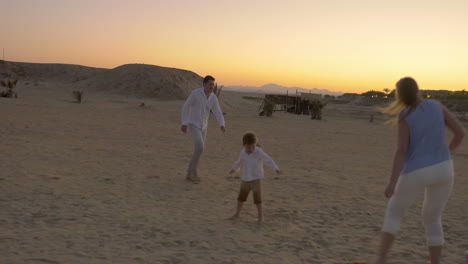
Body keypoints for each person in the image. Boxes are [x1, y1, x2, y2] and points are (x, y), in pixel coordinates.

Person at [373, 77, 465, 264]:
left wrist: (392, 182)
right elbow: (460, 133)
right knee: (432, 219)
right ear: (417, 90)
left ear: (400, 95)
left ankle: (380, 260)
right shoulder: (436, 106)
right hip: (444, 169)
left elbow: (401, 150)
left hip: (416, 170)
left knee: (394, 213)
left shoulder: (405, 115)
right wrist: (446, 152)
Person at [181, 75, 225, 183]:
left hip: (204, 126)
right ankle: (193, 173)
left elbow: (217, 111)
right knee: (200, 147)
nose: (211, 86)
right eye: (210, 84)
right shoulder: (196, 93)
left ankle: (190, 172)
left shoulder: (213, 97)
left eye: (213, 85)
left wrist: (222, 124)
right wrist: (184, 122)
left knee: (199, 149)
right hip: (193, 123)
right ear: (204, 84)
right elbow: (186, 106)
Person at [229, 132, 280, 222]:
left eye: (253, 146)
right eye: (249, 147)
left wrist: (275, 168)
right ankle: (237, 214)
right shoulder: (243, 152)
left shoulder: (259, 152)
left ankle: (260, 216)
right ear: (244, 145)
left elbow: (268, 159)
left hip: (256, 179)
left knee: (257, 199)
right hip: (245, 178)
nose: (251, 149)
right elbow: (239, 162)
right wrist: (234, 169)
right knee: (241, 198)